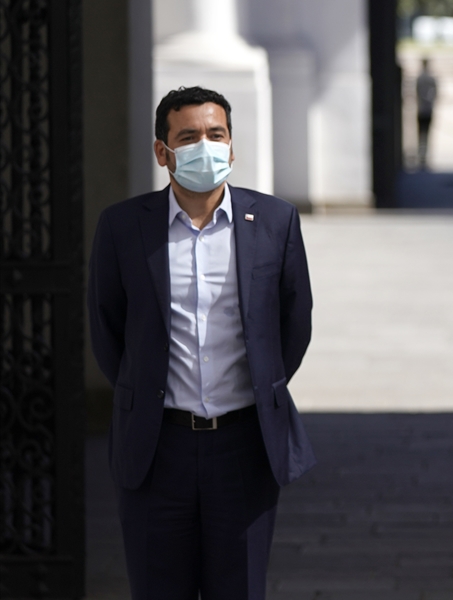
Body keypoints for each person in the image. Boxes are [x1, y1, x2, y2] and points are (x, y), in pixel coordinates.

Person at [88, 86, 315, 599]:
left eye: (215, 134)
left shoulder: (275, 221)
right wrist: (141, 393)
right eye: (187, 137)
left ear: (232, 146)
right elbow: (107, 328)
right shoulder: (123, 227)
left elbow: (293, 323)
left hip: (244, 446)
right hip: (156, 446)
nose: (204, 146)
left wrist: (264, 385)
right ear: (162, 152)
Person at [416, 57, 438, 170]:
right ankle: (424, 154)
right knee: (426, 133)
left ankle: (422, 154)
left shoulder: (420, 78)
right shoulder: (430, 78)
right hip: (427, 109)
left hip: (422, 109)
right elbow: (436, 93)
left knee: (422, 133)